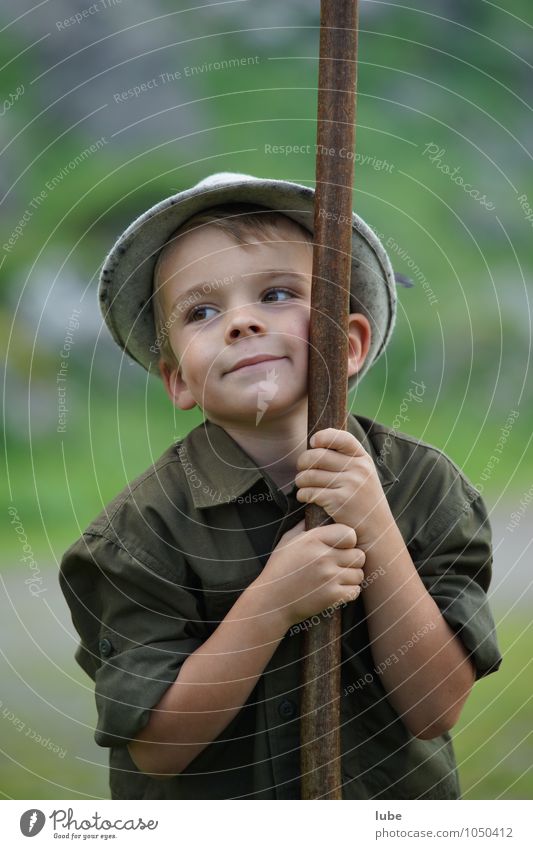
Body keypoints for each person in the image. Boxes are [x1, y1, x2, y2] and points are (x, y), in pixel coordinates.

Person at [60, 172, 502, 800]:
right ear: (178, 378)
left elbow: (436, 708)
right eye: (202, 312)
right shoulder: (137, 534)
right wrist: (272, 602)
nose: (240, 323)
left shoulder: (423, 489)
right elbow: (158, 748)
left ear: (347, 344)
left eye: (275, 294)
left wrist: (375, 525)